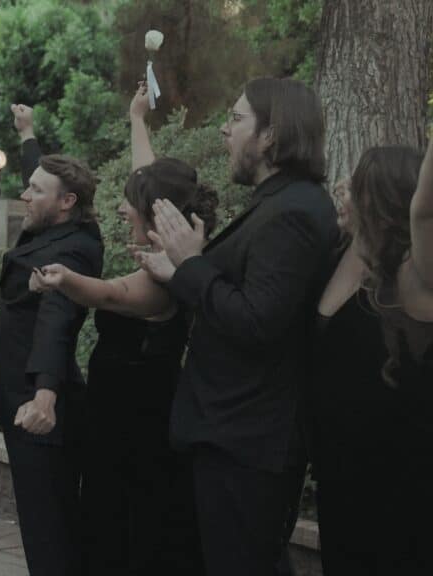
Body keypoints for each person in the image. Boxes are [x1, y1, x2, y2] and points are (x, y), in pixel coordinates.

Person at [135, 77, 339, 576]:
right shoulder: (277, 202)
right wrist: (181, 270)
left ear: (270, 136)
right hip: (234, 434)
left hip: (248, 440)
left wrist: (191, 267)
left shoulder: (294, 212)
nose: (225, 131)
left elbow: (256, 320)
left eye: (236, 119)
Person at [25, 83, 211, 575]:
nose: (122, 208)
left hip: (138, 427)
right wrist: (137, 119)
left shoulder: (164, 276)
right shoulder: (166, 245)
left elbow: (110, 295)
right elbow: (143, 180)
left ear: (154, 213)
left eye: (132, 204)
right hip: (116, 414)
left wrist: (64, 278)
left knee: (130, 531)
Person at [310, 143, 433, 575]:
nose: (342, 188)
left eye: (355, 181)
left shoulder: (414, 276)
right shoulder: (333, 255)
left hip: (398, 477)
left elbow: (423, 211)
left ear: (377, 197)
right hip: (339, 470)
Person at [0, 151, 103, 576]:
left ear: (67, 201)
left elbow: (58, 319)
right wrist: (27, 137)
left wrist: (45, 394)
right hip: (18, 401)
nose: (25, 194)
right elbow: (44, 185)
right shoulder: (51, 228)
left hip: (37, 411)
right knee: (45, 530)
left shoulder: (75, 250)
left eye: (35, 189)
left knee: (49, 535)